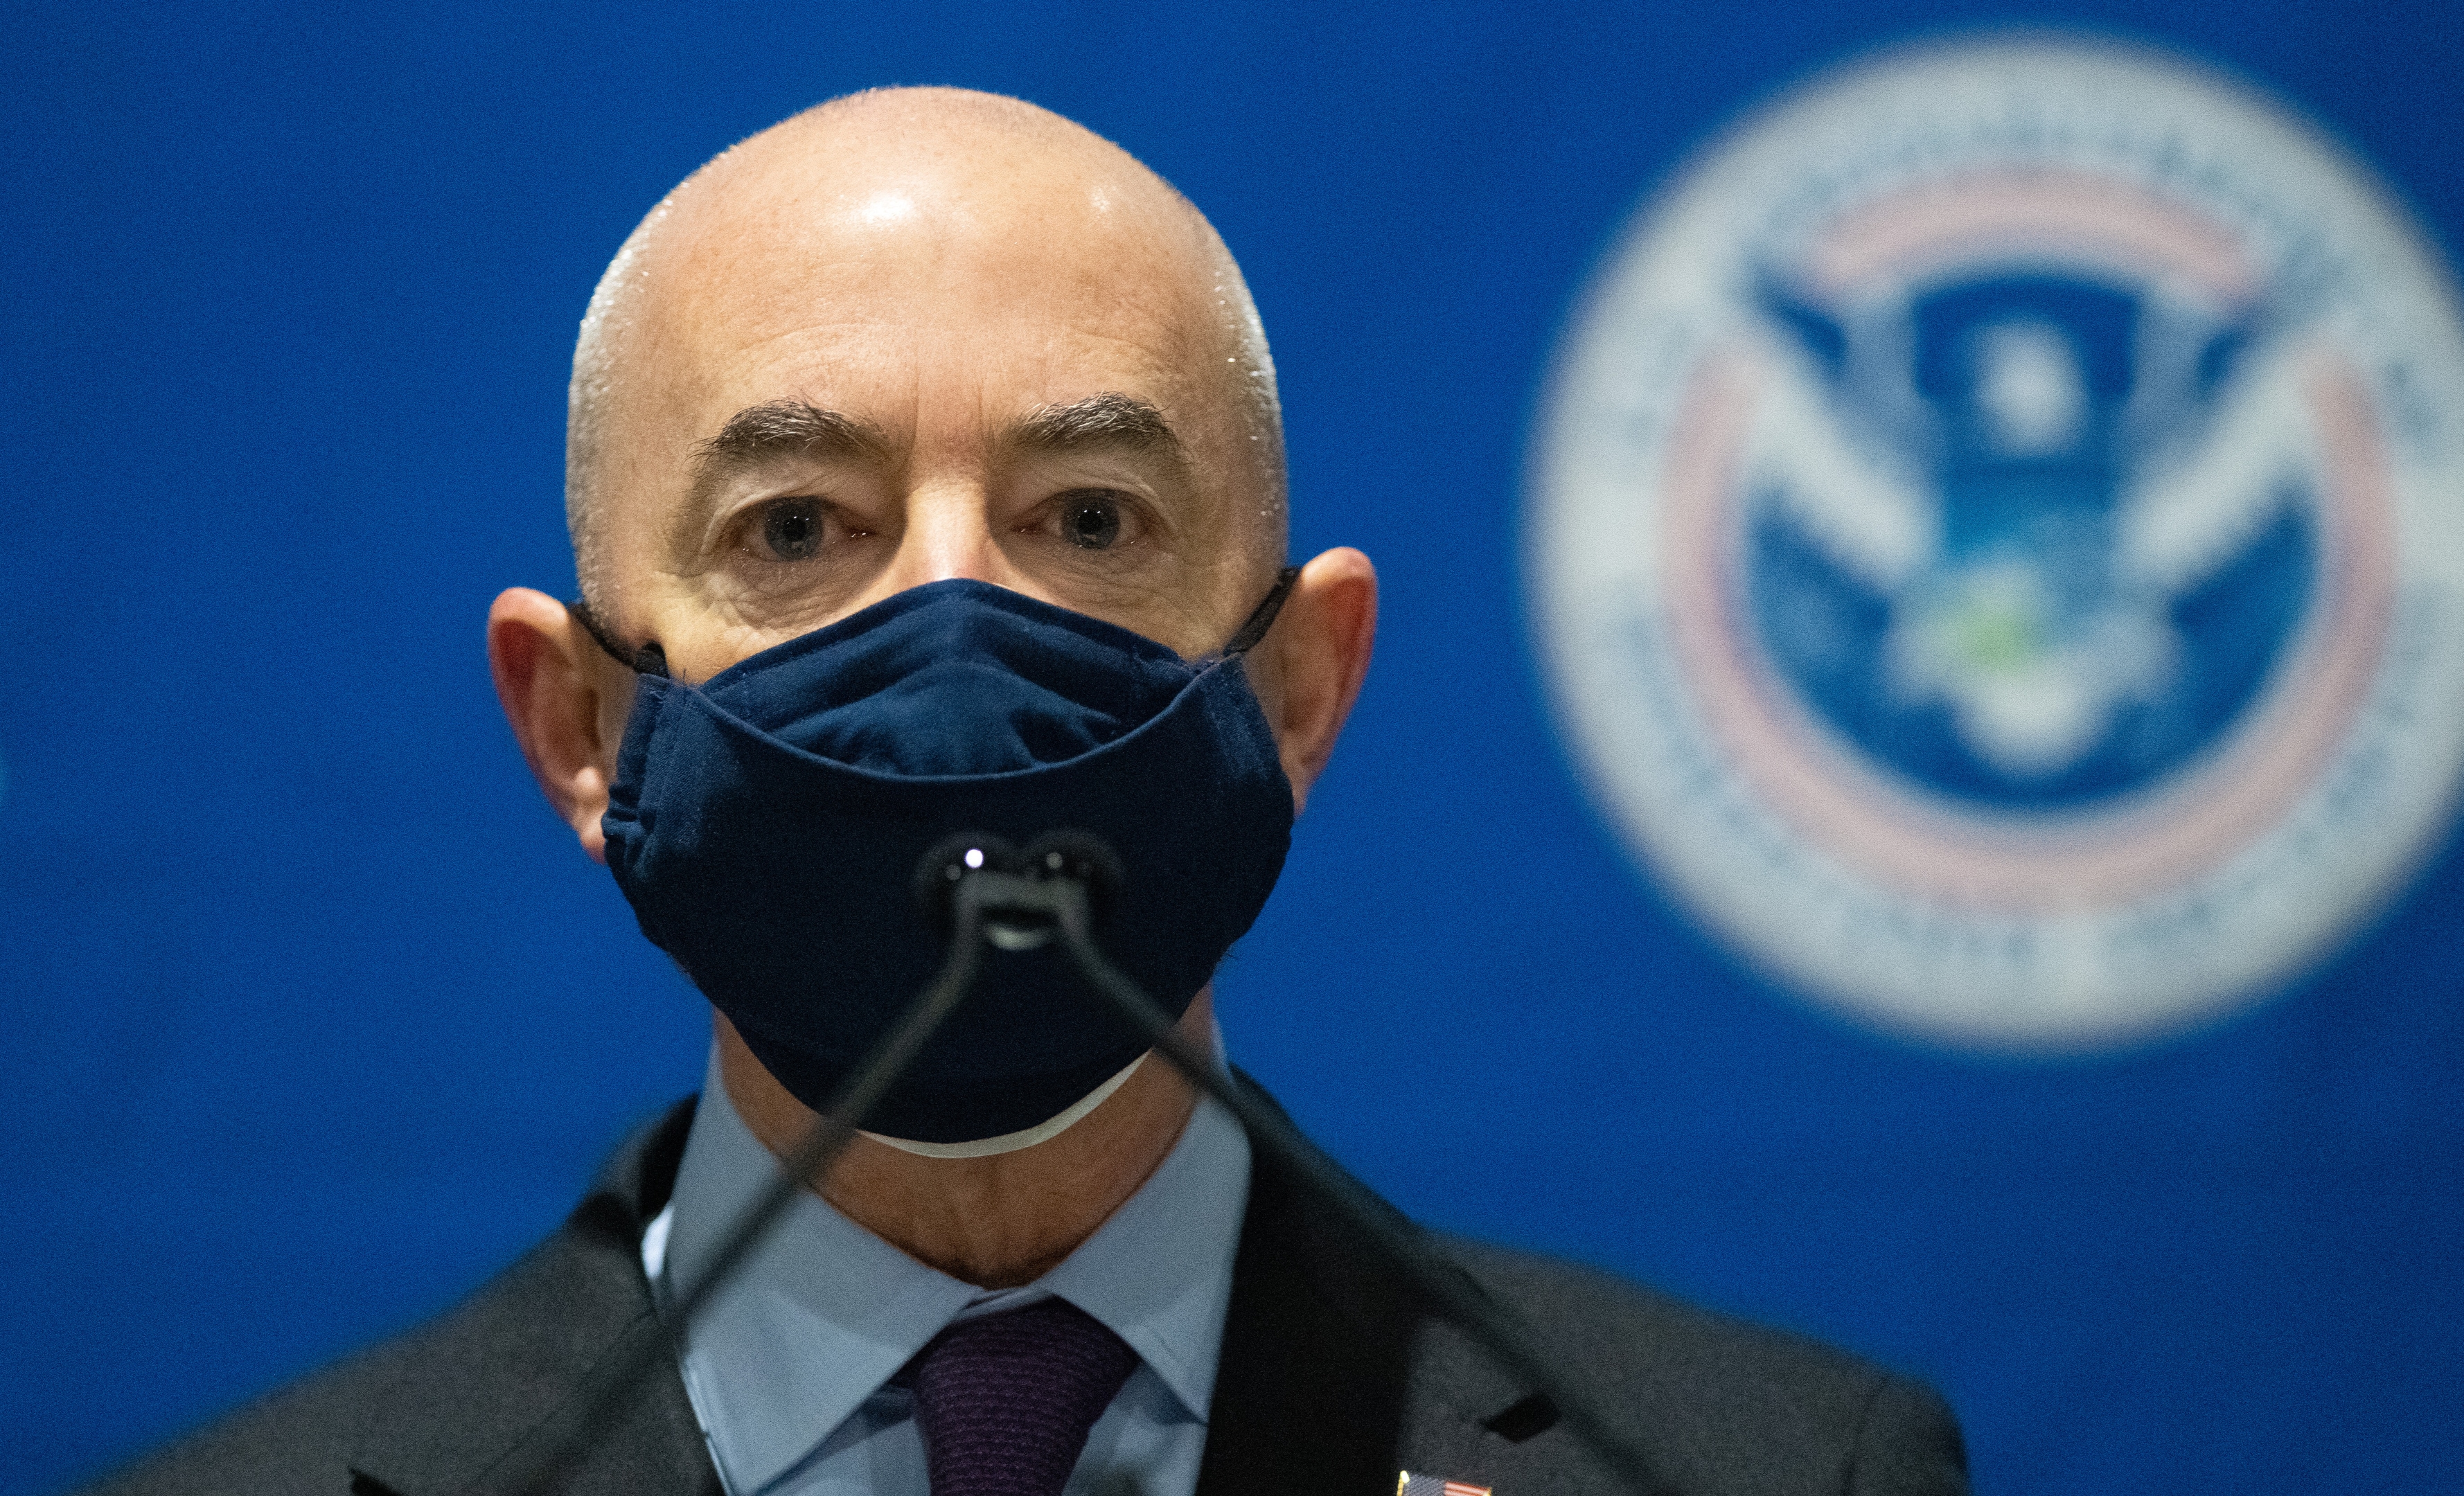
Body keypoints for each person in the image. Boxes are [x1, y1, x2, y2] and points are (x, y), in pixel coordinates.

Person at [84, 89, 1967, 1496]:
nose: (956, 627)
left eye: (1090, 520)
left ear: (1299, 689)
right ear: (581, 725)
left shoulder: (1775, 1470)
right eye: (799, 527)